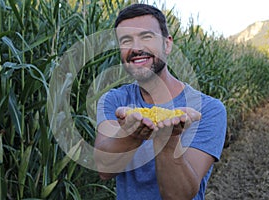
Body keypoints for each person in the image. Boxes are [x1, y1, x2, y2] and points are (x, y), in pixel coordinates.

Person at [94, 3, 227, 200]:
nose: (136, 48)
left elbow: (178, 196)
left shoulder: (209, 109)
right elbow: (104, 169)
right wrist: (131, 135)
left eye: (146, 37)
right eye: (126, 40)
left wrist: (169, 139)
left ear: (167, 44)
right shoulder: (114, 100)